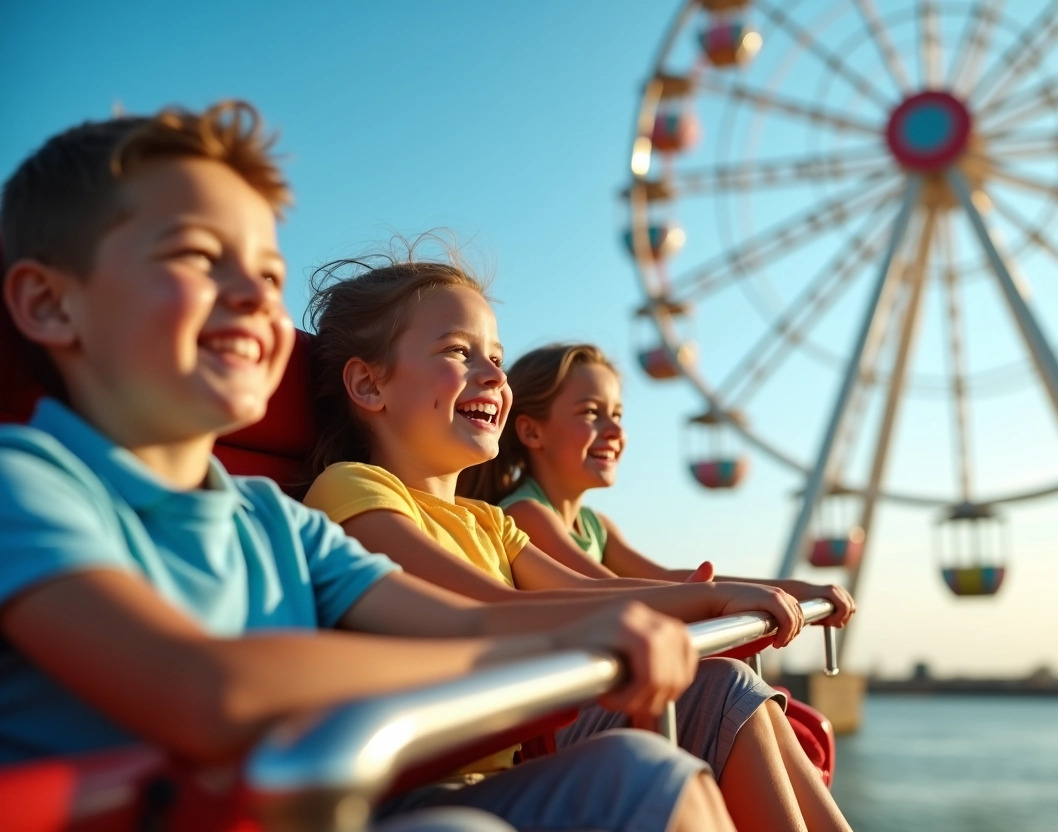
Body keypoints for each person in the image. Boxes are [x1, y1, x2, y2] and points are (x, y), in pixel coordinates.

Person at [0, 101, 740, 832]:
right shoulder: (24, 484)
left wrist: (658, 612)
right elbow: (202, 689)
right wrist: (563, 643)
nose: (256, 295)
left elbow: (466, 624)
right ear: (48, 303)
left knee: (643, 776)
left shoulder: (276, 523)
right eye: (196, 256)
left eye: (267, 272)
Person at [302, 250, 854, 832]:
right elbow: (490, 610)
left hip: (501, 769)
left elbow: (596, 594)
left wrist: (743, 592)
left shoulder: (489, 522)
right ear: (368, 384)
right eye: (458, 353)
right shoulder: (352, 491)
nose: (493, 375)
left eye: (496, 358)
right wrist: (715, 600)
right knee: (643, 767)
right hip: (415, 791)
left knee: (720, 684)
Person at [463, 342, 857, 609]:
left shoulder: (594, 526)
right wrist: (722, 597)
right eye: (590, 413)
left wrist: (796, 591)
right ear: (532, 431)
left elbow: (665, 578)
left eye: (617, 415)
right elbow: (605, 590)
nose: (615, 431)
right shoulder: (526, 515)